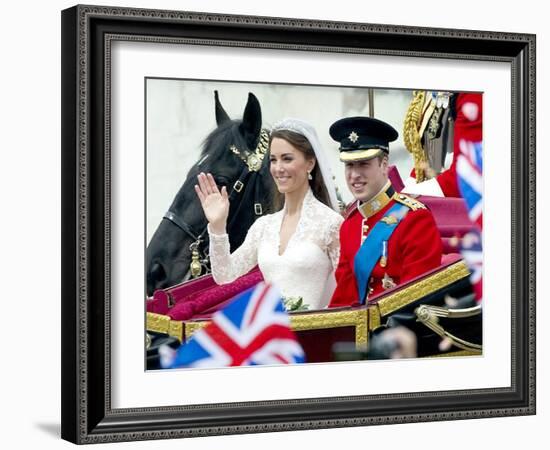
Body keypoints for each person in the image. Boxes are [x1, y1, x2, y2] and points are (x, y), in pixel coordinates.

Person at [195, 118, 343, 310]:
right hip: (272, 335)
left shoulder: (331, 223)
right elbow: (225, 275)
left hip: (314, 335)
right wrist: (217, 226)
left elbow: (346, 290)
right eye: (273, 160)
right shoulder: (264, 226)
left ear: (310, 163)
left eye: (287, 158)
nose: (278, 168)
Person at [328, 116, 443, 308]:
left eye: (363, 164)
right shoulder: (350, 225)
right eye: (349, 165)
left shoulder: (415, 219)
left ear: (383, 165)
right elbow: (344, 299)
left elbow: (417, 300)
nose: (354, 175)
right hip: (359, 334)